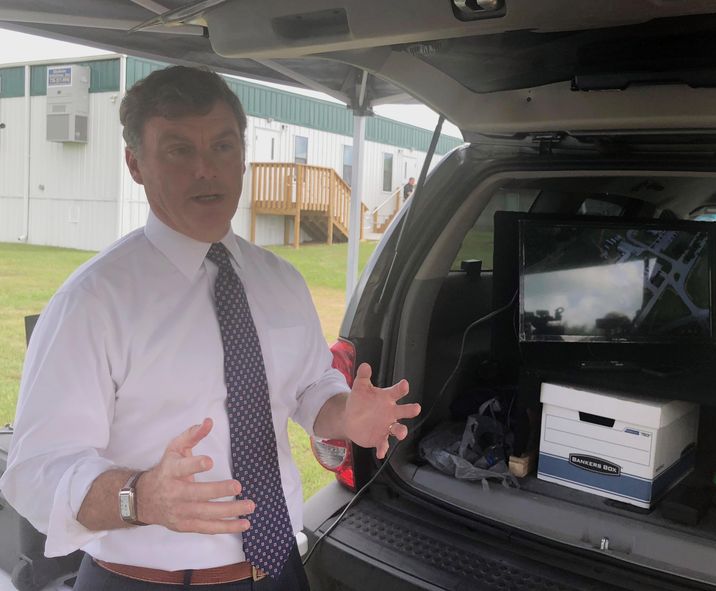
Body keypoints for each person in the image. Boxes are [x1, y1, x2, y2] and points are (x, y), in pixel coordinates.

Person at [0, 66, 421, 590]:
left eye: (222, 147)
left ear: (242, 155)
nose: (207, 170)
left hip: (278, 571)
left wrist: (344, 414)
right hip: (147, 580)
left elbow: (310, 389)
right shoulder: (93, 301)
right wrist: (141, 496)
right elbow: (35, 472)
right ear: (135, 164)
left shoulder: (280, 281)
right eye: (178, 150)